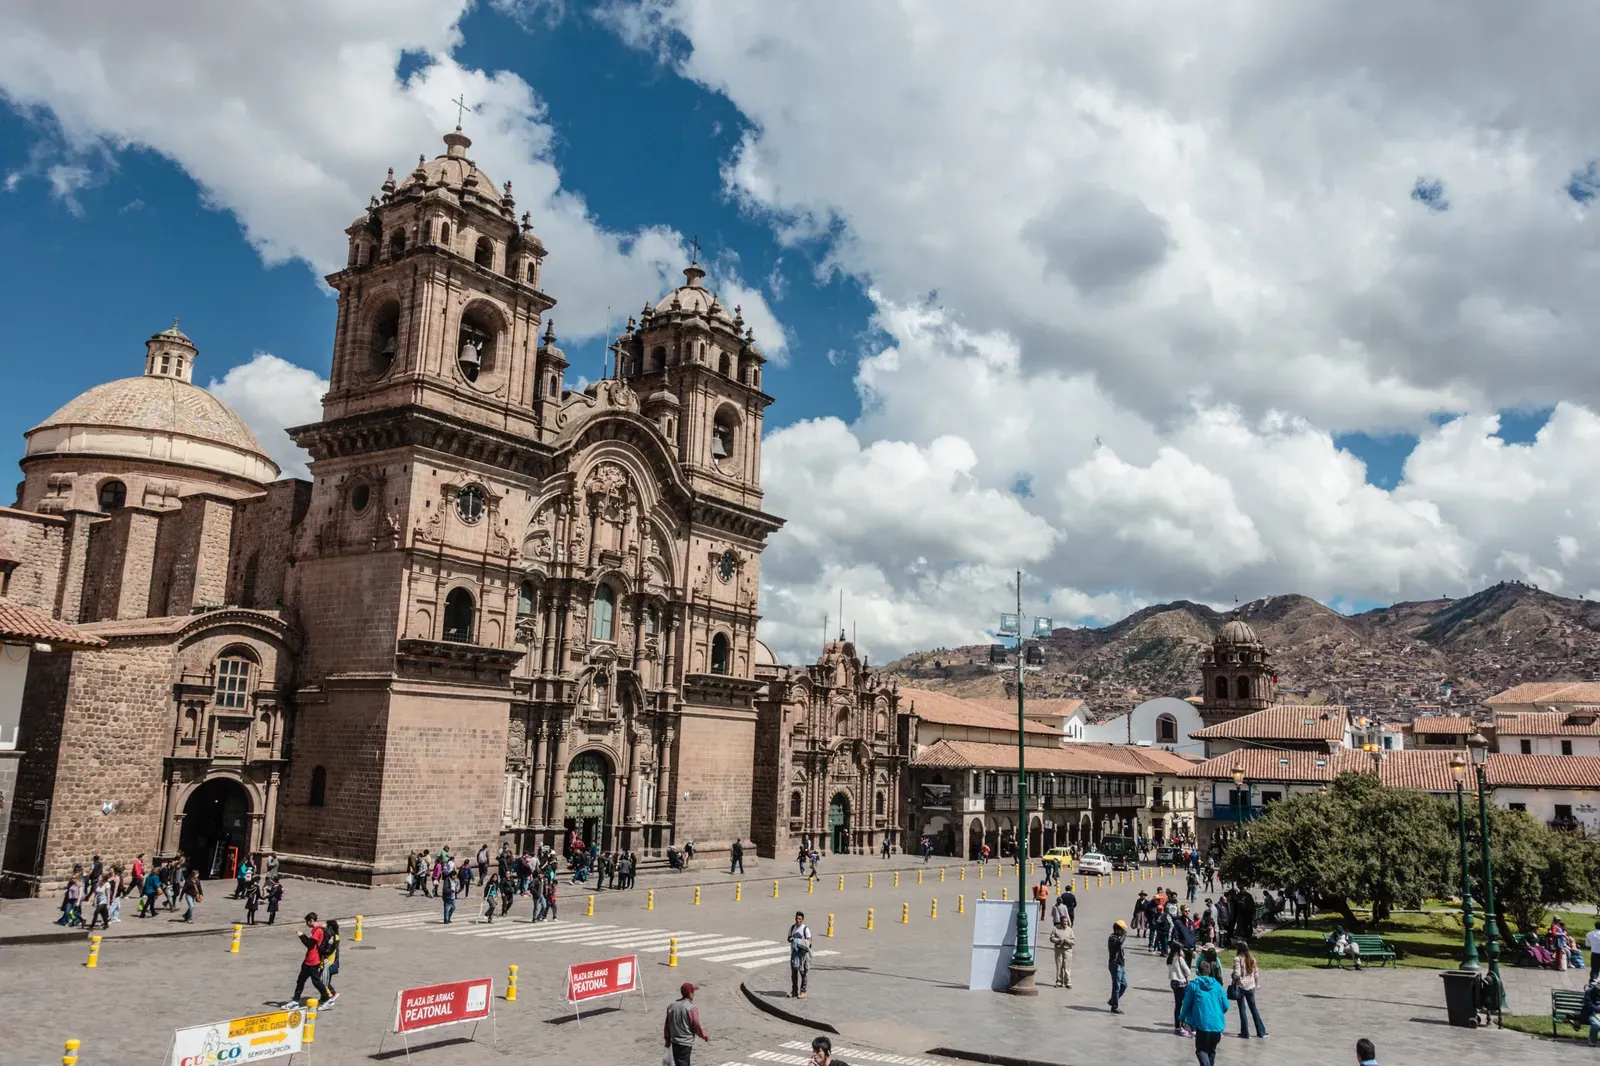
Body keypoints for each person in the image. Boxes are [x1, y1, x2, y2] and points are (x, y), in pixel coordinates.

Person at [1179, 962, 1229, 1066]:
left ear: (1198, 971)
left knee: (1201, 1050)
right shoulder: (1217, 986)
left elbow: (1186, 1004)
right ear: (1209, 971)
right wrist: (1217, 1014)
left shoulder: (1193, 986)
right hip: (1217, 1025)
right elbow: (1226, 1005)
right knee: (1211, 1051)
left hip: (1202, 1024)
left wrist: (1182, 1018)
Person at [664, 982, 710, 1066]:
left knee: (681, 1062)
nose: (694, 994)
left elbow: (667, 1025)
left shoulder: (671, 1006)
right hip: (685, 1042)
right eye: (693, 992)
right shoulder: (691, 1008)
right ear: (689, 993)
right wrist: (704, 1035)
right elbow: (696, 1025)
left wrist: (667, 1040)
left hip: (675, 1042)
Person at [1231, 941, 1267, 1038]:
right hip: (1251, 986)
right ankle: (1261, 1031)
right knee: (1253, 1008)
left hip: (1241, 986)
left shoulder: (1237, 959)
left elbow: (1237, 974)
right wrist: (1256, 983)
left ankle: (1245, 1032)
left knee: (1242, 1009)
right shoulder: (1252, 959)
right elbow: (1256, 973)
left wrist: (1233, 977)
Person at [1168, 943, 1194, 1035]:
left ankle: (1179, 1025)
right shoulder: (1179, 959)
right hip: (1181, 983)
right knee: (1184, 1005)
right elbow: (1188, 972)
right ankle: (1179, 1026)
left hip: (1173, 982)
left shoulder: (1170, 958)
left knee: (1177, 1005)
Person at [788, 910, 813, 999]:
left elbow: (810, 941)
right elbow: (788, 938)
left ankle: (803, 991)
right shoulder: (792, 928)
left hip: (802, 955)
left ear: (802, 919)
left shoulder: (805, 929)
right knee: (794, 973)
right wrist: (791, 939)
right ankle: (794, 991)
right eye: (796, 918)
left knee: (803, 973)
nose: (797, 920)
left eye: (799, 919)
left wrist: (799, 942)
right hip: (794, 954)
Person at [1050, 906, 1075, 989]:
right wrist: (1058, 940)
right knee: (1059, 966)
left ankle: (1068, 982)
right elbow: (1051, 938)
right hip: (1058, 949)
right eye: (1064, 922)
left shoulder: (1070, 930)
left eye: (1066, 921)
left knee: (1067, 967)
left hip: (1067, 950)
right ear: (1060, 922)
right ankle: (1059, 982)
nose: (1065, 923)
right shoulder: (1055, 929)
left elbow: (1073, 941)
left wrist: (1068, 941)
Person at [1107, 920, 1128, 1014]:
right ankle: (1114, 1007)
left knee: (1124, 984)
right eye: (1121, 930)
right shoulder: (1112, 938)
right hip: (1115, 964)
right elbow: (1119, 943)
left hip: (1121, 964)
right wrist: (1124, 935)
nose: (1123, 932)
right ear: (1116, 930)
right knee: (1116, 986)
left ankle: (1113, 1000)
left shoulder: (1118, 937)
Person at [319, 919, 342, 1007]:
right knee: (325, 980)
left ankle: (333, 993)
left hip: (328, 962)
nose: (326, 927)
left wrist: (320, 949)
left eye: (327, 925)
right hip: (328, 962)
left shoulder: (332, 937)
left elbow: (328, 950)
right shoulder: (335, 936)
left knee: (323, 980)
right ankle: (323, 998)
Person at [1582, 978, 1600, 1047]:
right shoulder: (1589, 992)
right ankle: (1592, 1040)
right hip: (1590, 1014)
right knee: (1597, 1025)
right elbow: (1589, 1005)